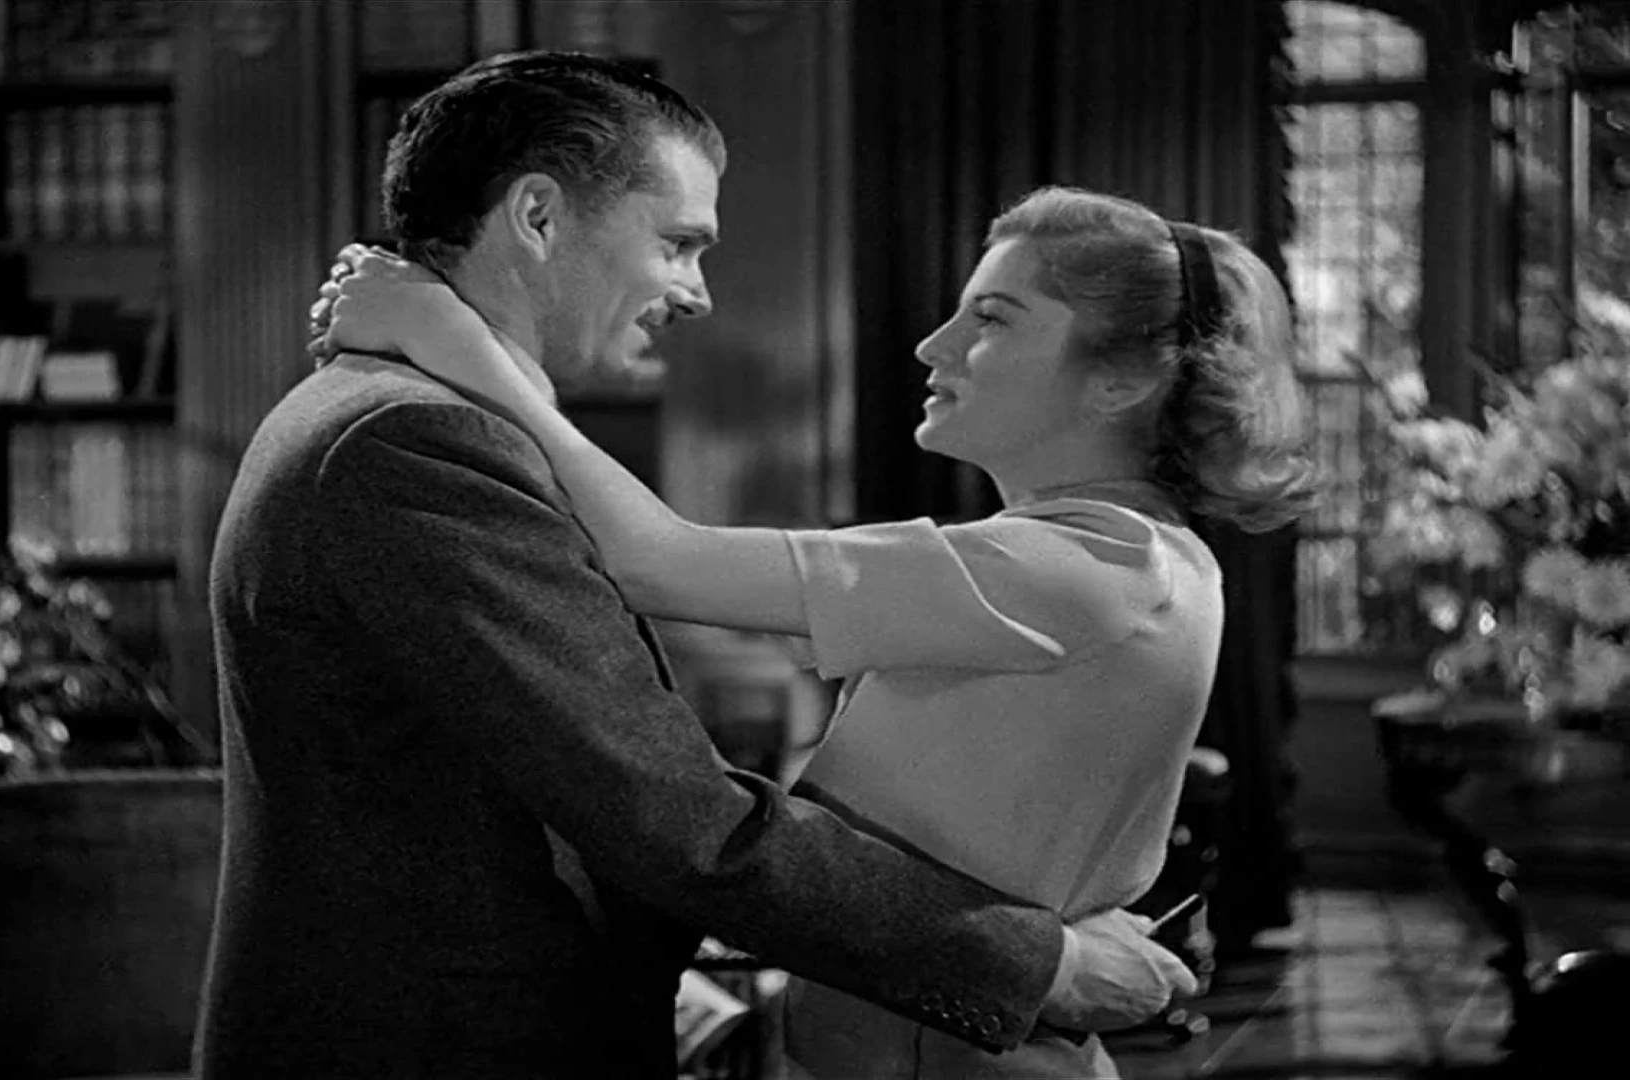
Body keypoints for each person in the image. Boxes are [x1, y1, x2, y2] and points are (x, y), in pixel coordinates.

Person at [200, 51, 1195, 1079]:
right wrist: (1036, 964)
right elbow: (673, 817)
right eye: (678, 244)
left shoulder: (400, 413)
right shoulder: (417, 443)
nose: (698, 295)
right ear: (537, 217)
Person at [315, 183, 1315, 1078]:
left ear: (1121, 380)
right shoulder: (1147, 560)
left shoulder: (1080, 569)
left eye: (991, 318)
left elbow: (653, 560)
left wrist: (448, 337)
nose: (933, 345)